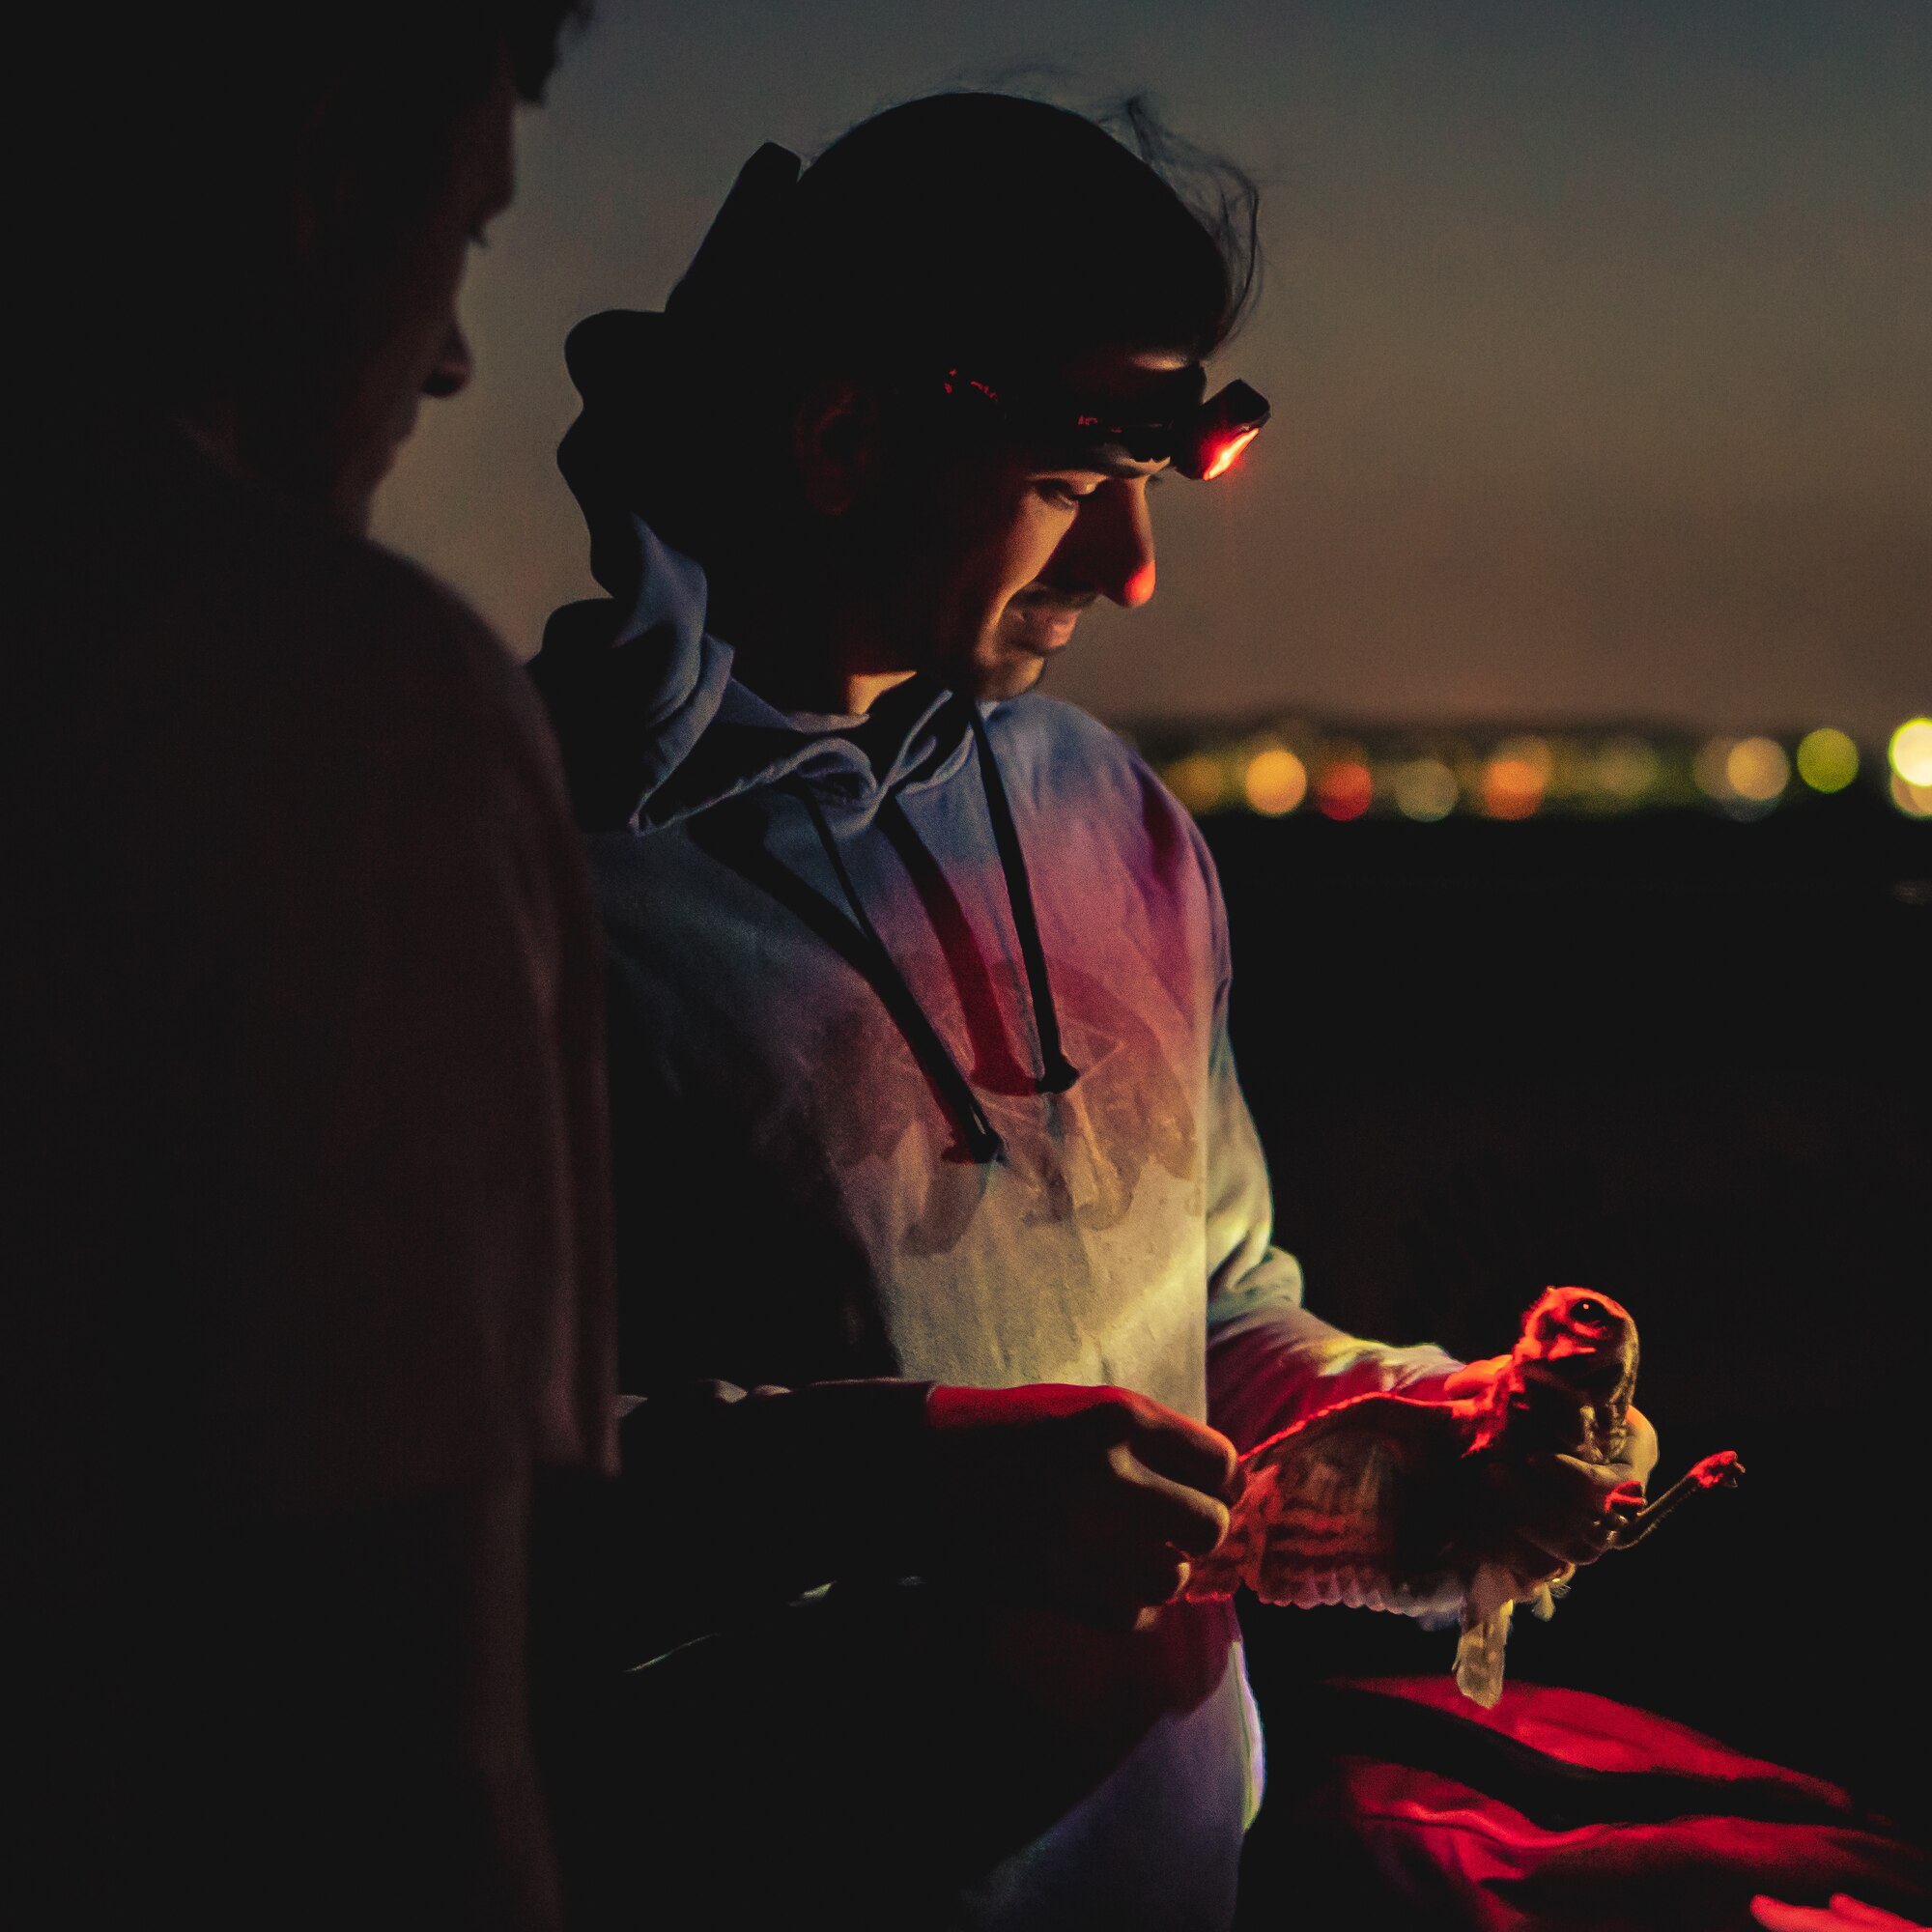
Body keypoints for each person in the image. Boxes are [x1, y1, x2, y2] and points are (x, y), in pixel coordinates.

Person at [530, 94, 1654, 1929]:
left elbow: (1209, 1331)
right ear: (841, 435)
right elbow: (413, 1514)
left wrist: (1450, 1456)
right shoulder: (532, 861)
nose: (1131, 571)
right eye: (1072, 485)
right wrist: (894, 1485)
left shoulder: (1115, 824)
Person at [6, 6, 612, 1924]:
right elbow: (401, 1731)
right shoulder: (331, 717)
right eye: (463, 226)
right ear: (321, 172)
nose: (446, 353)